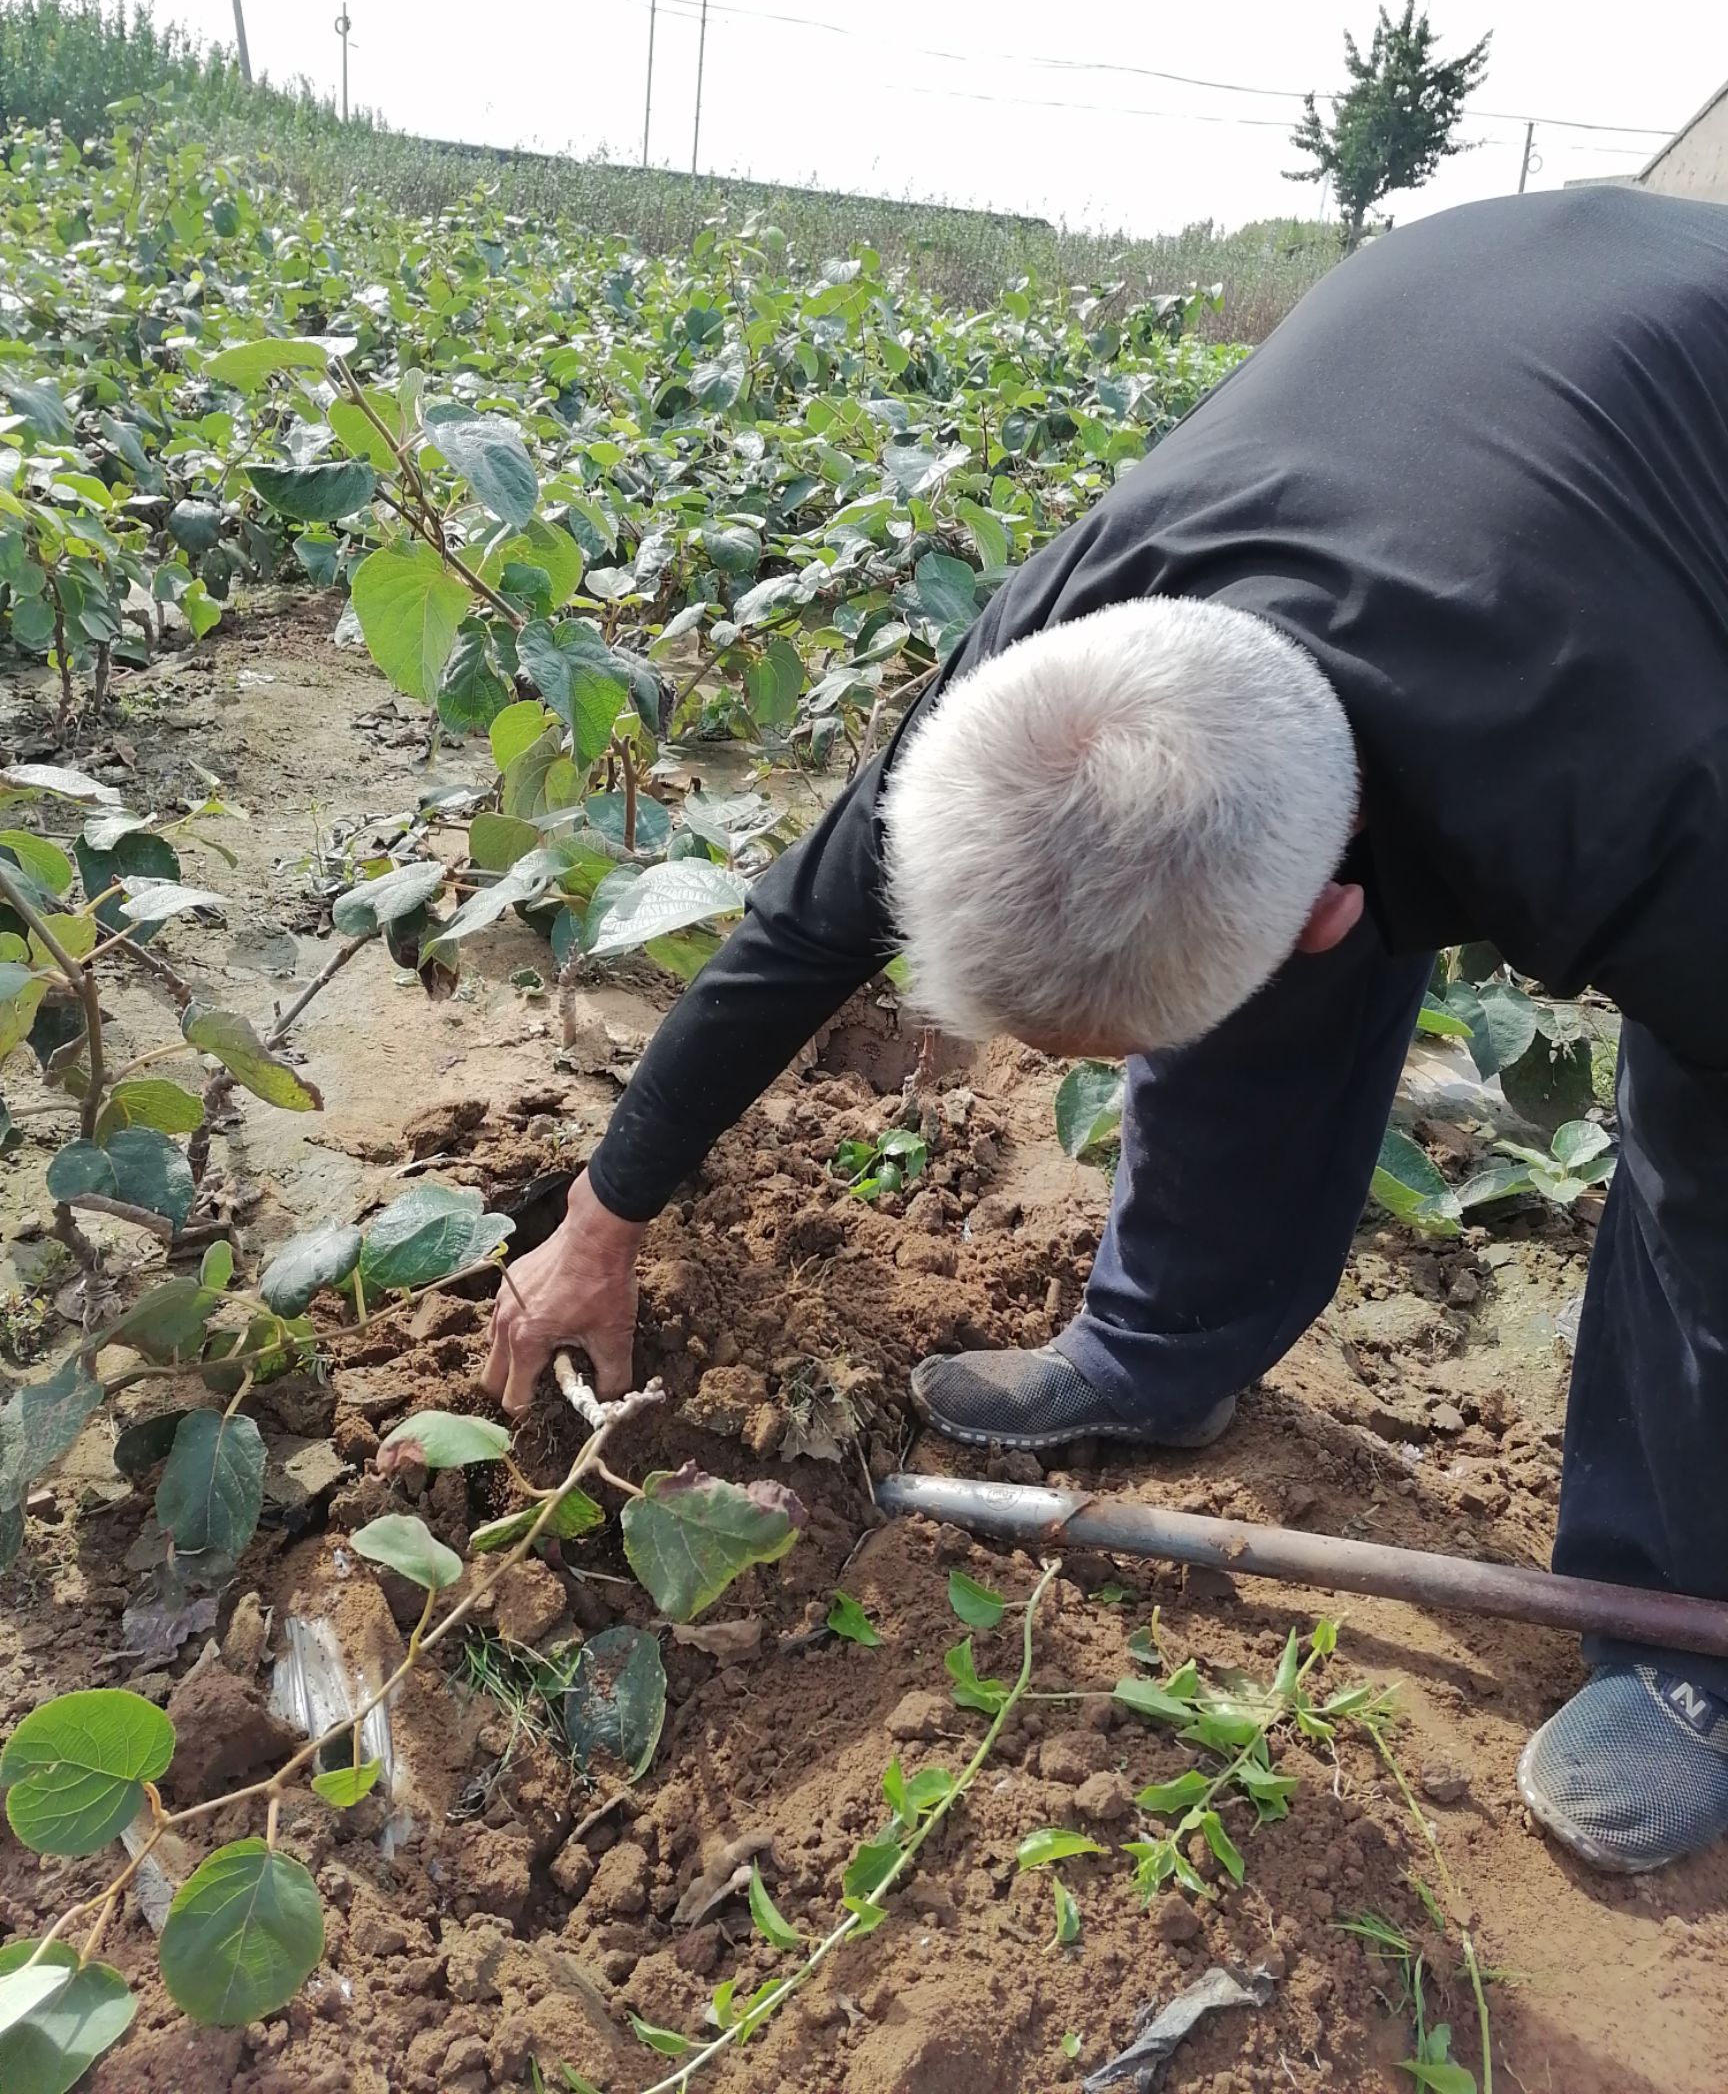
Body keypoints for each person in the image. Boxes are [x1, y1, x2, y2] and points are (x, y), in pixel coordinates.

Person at [483, 185, 1728, 1877]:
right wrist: (600, 1218)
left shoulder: (1641, 807)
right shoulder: (1064, 667)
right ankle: (1166, 1346)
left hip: (1659, 494)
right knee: (1177, 892)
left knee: (1706, 1165)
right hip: (1481, 345)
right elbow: (793, 935)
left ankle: (1678, 1633)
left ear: (1334, 917)